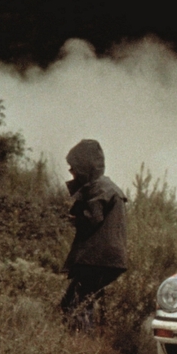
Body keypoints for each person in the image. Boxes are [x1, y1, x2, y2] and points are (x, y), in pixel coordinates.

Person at [60, 139, 128, 332]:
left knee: (76, 304)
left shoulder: (98, 188)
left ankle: (82, 345)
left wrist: (74, 218)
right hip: (108, 260)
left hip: (97, 259)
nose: (71, 172)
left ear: (85, 166)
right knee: (83, 301)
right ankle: (87, 344)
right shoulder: (107, 186)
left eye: (74, 167)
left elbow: (92, 219)